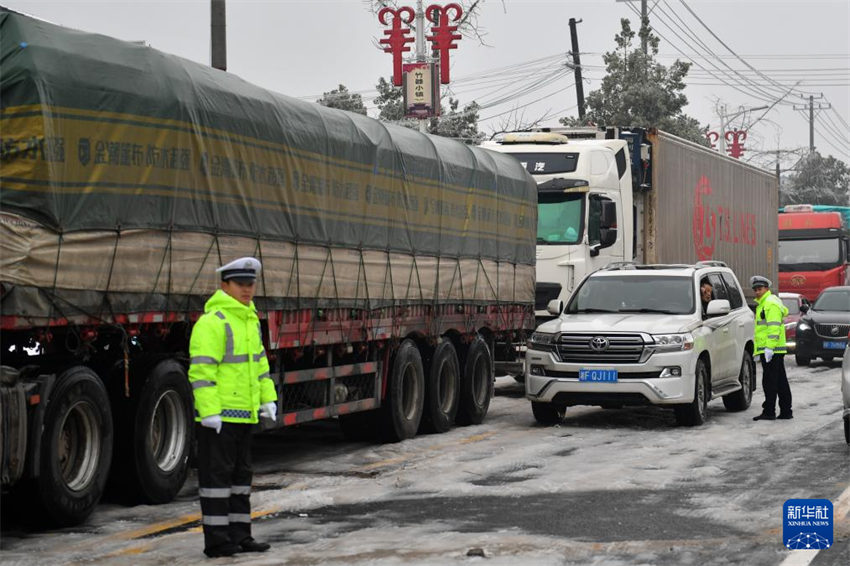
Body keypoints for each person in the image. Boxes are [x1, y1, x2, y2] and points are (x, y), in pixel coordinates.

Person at [188, 256, 278, 557]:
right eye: (240, 284)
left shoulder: (249, 321)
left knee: (241, 478)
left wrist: (268, 398)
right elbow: (201, 372)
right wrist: (209, 411)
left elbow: (260, 367)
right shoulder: (212, 323)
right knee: (217, 481)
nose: (247, 289)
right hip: (220, 417)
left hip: (245, 413)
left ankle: (241, 536)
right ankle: (216, 541)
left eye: (250, 284)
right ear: (224, 285)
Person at [750, 275, 792, 421]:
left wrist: (769, 348)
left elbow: (773, 328)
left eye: (759, 289)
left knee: (770, 382)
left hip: (772, 350)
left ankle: (769, 412)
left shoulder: (770, 303)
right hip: (771, 349)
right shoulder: (764, 303)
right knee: (780, 381)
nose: (757, 292)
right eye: (755, 289)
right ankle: (786, 411)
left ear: (766, 288)